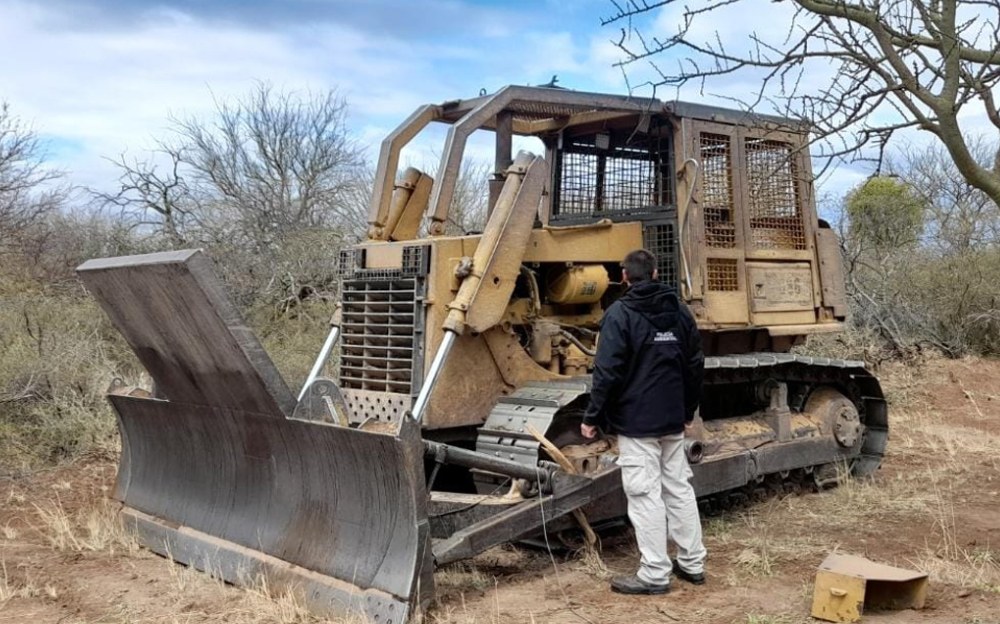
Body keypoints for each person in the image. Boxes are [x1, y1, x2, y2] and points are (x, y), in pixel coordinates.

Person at [580, 248, 707, 595]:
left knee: (644, 494)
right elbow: (695, 364)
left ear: (624, 276)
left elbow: (607, 372)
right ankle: (692, 563)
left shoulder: (620, 314)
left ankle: (654, 573)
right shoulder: (680, 312)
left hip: (637, 422)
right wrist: (687, 411)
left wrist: (592, 416)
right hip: (671, 418)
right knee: (678, 487)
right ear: (654, 274)